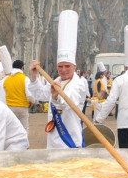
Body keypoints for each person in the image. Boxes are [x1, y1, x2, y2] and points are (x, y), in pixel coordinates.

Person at [33, 10, 90, 149]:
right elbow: (39, 95)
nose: (63, 70)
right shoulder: (56, 80)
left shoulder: (79, 84)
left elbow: (69, 103)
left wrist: (57, 97)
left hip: (69, 139)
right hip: (53, 140)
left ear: (74, 66)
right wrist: (34, 77)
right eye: (60, 66)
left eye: (67, 66)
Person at [2, 57, 44, 130]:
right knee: (24, 129)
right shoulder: (25, 78)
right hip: (22, 107)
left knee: (12, 129)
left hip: (10, 107)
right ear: (22, 68)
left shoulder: (6, 80)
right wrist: (32, 101)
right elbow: (29, 94)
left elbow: (4, 94)